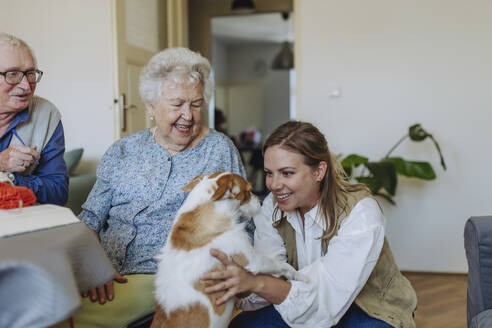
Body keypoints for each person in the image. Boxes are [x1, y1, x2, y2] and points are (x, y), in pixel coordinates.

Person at [55, 48, 246, 328]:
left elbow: (241, 226)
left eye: (195, 104)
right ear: (151, 106)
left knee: (64, 316)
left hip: (172, 274)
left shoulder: (219, 150)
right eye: (177, 104)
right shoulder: (123, 150)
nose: (188, 115)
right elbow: (90, 221)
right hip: (107, 273)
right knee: (43, 302)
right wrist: (93, 269)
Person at [202, 121, 418, 327]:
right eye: (269, 173)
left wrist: (255, 283)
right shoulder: (272, 206)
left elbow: (328, 301)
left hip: (366, 309)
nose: (274, 185)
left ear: (319, 171)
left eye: (287, 173)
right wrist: (236, 283)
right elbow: (270, 277)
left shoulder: (361, 212)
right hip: (303, 300)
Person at [0, 33, 68, 205]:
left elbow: (58, 192)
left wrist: (10, 179)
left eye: (30, 73)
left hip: (20, 221)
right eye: (12, 74)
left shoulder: (46, 114)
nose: (25, 86)